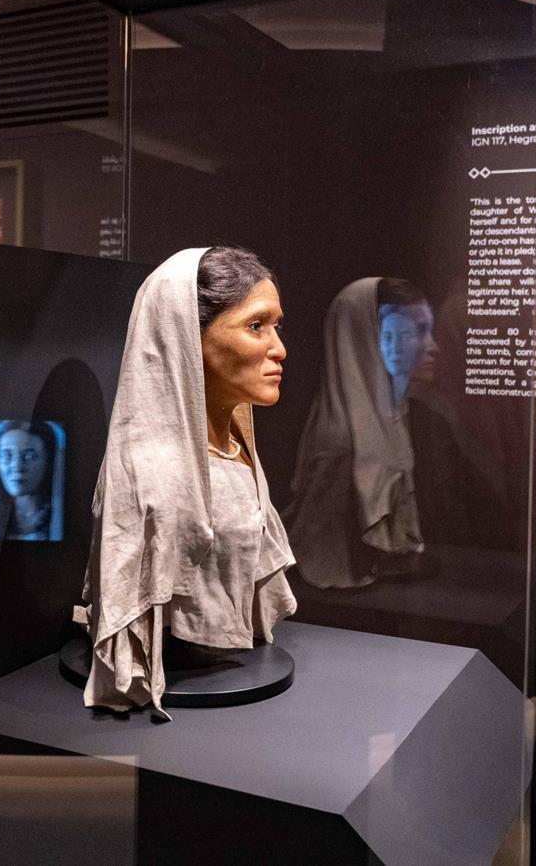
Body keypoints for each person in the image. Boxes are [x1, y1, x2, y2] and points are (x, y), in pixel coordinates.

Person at [74, 245, 296, 718]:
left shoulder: (234, 450)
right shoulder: (154, 477)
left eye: (276, 326)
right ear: (186, 337)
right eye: (256, 326)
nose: (278, 348)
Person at [282, 277, 436, 590]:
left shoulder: (399, 418)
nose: (433, 346)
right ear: (368, 340)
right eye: (412, 333)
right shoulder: (346, 446)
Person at [0, 421, 65, 541]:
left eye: (29, 456)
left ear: (49, 461)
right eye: (7, 456)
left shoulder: (63, 521)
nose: (17, 466)